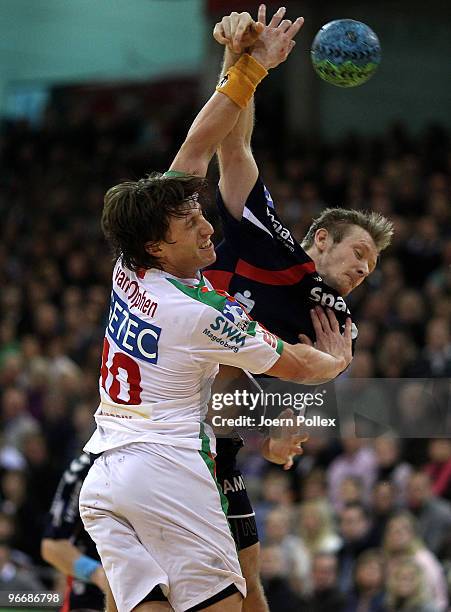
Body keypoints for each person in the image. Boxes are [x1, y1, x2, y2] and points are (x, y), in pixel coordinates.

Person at [79, 12, 352, 612]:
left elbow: (201, 142)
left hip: (103, 476)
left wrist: (245, 64)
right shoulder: (200, 311)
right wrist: (333, 364)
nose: (208, 228)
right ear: (159, 243)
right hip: (167, 472)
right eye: (191, 224)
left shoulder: (132, 266)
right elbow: (297, 368)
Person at [204, 7, 393, 612]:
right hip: (165, 418)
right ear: (319, 241)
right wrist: (243, 61)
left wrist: (277, 440)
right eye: (359, 253)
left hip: (214, 441)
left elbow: (261, 404)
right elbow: (235, 153)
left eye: (372, 267)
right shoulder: (273, 246)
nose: (364, 270)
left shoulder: (334, 321)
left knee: (252, 591)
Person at [41, 453, 110, 612]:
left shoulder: (167, 460)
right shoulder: (85, 467)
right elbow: (51, 546)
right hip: (90, 600)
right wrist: (98, 575)